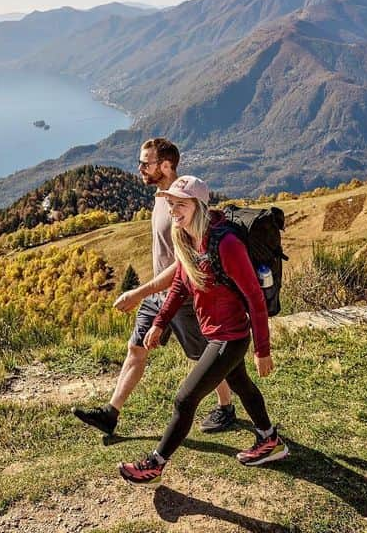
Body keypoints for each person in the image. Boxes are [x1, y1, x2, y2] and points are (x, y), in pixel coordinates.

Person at [118, 175, 287, 485]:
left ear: (198, 205)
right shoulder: (186, 238)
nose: (173, 210)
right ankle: (270, 439)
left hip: (231, 336)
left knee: (185, 400)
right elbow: (181, 285)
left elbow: (254, 298)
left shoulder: (227, 244)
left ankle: (155, 463)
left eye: (180, 204)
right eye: (170, 204)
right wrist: (159, 323)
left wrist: (263, 349)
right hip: (215, 332)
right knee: (242, 386)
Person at [71, 138, 237, 437]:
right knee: (136, 349)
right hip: (157, 294)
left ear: (165, 166)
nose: (140, 168)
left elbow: (184, 263)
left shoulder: (185, 205)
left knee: (203, 357)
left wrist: (139, 292)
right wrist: (149, 292)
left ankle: (226, 407)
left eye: (146, 163)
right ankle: (111, 413)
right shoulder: (162, 197)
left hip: (184, 297)